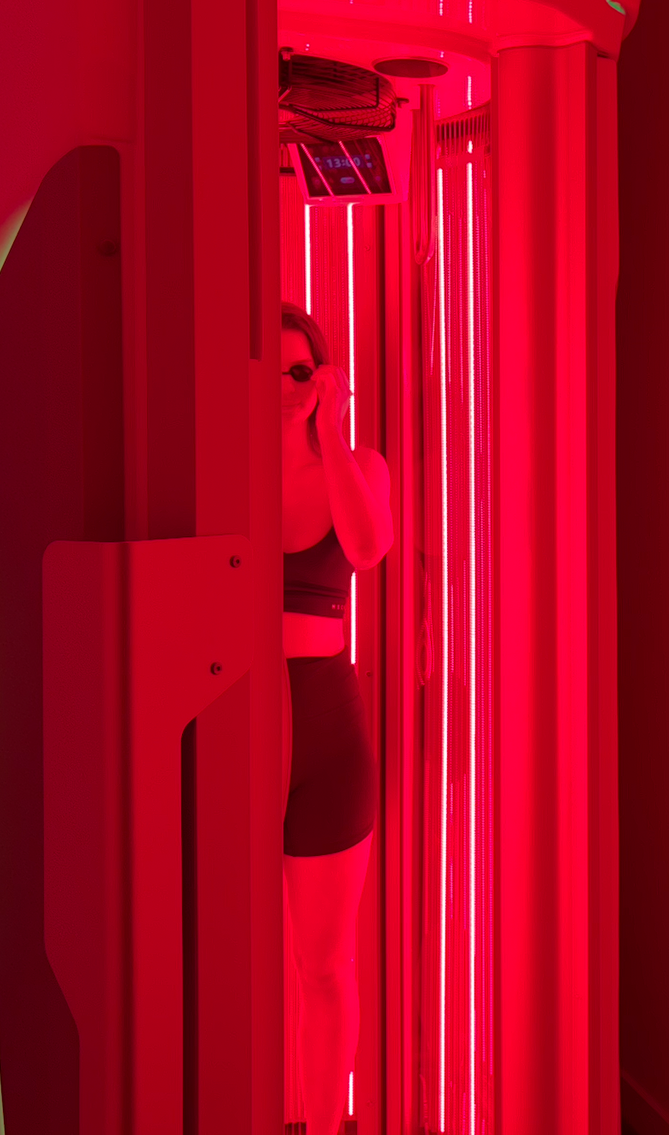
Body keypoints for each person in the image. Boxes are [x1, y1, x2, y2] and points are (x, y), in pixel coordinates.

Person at [279, 302, 393, 1135]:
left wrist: (334, 427)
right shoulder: (219, 461)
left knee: (323, 965)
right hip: (238, 723)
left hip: (327, 725)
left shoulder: (360, 466)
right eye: (274, 371)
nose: (288, 387)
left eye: (301, 369)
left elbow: (367, 547)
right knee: (236, 955)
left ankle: (323, 1125)